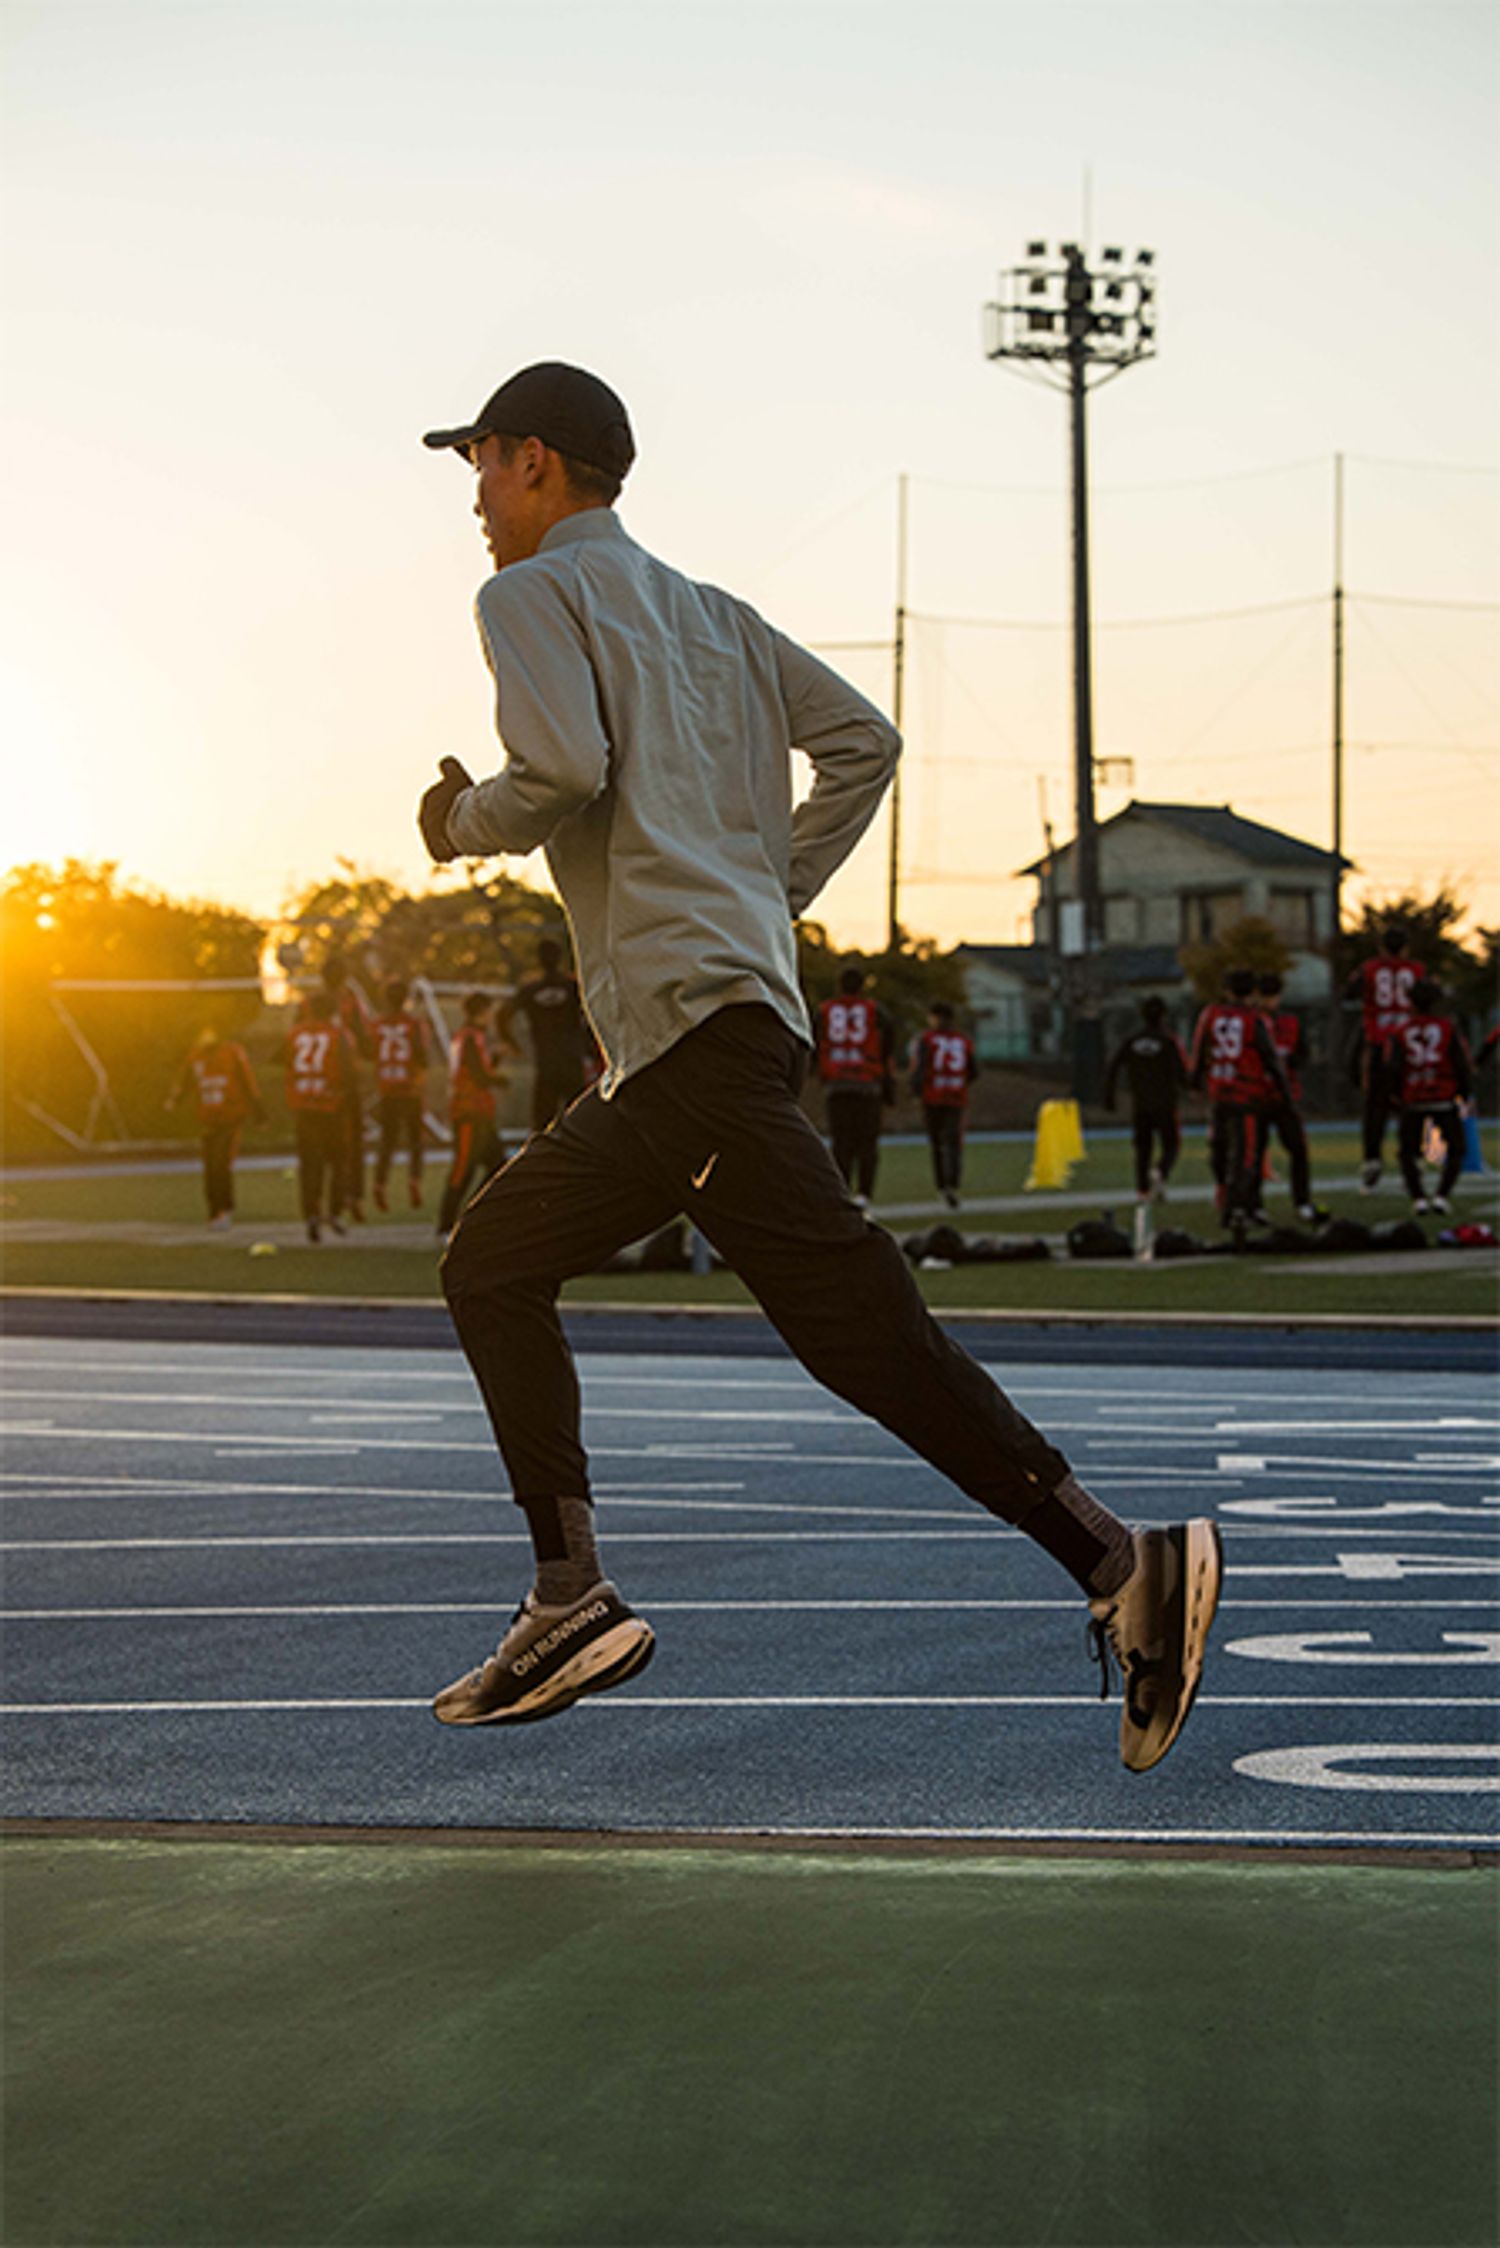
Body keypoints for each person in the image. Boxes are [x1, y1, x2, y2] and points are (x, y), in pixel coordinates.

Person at [414, 357, 1221, 1771]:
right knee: (499, 1260)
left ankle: (1117, 1559)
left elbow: (558, 776)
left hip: (691, 1043)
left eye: (479, 463)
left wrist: (451, 819)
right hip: (712, 1036)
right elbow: (865, 742)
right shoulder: (715, 615)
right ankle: (568, 1593)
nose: (473, 498)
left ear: (535, 461)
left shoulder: (527, 594)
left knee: (863, 1335)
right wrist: (762, 885)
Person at [1189, 968, 1292, 1234]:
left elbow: (1200, 1050)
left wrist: (1194, 1082)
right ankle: (1237, 1209)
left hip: (1219, 1091)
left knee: (1220, 1149)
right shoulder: (1253, 1019)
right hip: (1245, 1093)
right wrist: (1285, 1093)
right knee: (1246, 1155)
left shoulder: (1210, 1014)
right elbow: (1270, 1058)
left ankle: (1236, 1201)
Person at [1344, 922, 1424, 1191]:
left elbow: (1349, 992)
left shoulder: (1370, 969)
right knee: (1411, 1103)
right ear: (1405, 947)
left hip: (1377, 1042)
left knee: (1374, 1104)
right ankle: (1413, 1155)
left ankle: (1372, 1159)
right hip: (1409, 1044)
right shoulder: (1415, 970)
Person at [1387, 978, 1473, 1215]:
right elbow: (1460, 1062)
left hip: (1413, 1095)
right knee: (1456, 1149)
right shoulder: (1447, 1027)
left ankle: (1418, 1198)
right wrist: (1464, 1092)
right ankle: (1442, 1196)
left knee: (1408, 1151)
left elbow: (1394, 1066)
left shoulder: (1401, 1030)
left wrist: (1394, 1096)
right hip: (1443, 1094)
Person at [166, 1026, 265, 1229]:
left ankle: (225, 1209)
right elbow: (187, 1081)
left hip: (230, 1116)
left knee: (221, 1163)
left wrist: (258, 1112)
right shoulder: (196, 1056)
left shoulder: (232, 1053)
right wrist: (175, 1100)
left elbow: (248, 1082)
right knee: (210, 1165)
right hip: (209, 1118)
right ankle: (213, 1210)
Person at [283, 992, 359, 1244]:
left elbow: (284, 1062)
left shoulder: (295, 1034)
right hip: (331, 1106)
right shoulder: (338, 1035)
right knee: (337, 1162)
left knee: (309, 1164)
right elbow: (349, 1074)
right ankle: (335, 1212)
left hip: (304, 1106)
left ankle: (311, 1215)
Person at [816, 965, 893, 1206]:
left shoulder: (825, 1011)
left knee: (841, 1143)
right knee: (867, 1143)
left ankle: (842, 1192)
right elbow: (889, 1038)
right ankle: (865, 1194)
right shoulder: (874, 1010)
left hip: (837, 1084)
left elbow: (813, 1038)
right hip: (867, 1083)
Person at [1252, 972, 1325, 1225]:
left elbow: (1302, 1054)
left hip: (1278, 1096)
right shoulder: (1253, 1022)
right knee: (1256, 1152)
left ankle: (1301, 1201)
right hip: (1261, 1095)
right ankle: (1257, 1205)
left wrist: (1292, 1063)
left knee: (1296, 1150)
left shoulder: (1287, 1022)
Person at [437, 991, 510, 1240]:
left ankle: (477, 1218)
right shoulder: (469, 1037)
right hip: (469, 1110)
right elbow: (479, 1076)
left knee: (498, 1166)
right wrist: (501, 1080)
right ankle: (446, 1225)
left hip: (480, 1111)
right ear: (482, 1011)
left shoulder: (469, 1036)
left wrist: (497, 1059)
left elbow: (479, 1070)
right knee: (463, 1167)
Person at [498, 936, 590, 1131]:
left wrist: (510, 1042)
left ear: (538, 960)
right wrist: (590, 1043)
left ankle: (544, 1160)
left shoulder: (531, 990)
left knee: (542, 1125)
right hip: (571, 1060)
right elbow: (596, 1010)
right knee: (581, 1122)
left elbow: (502, 1015)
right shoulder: (573, 986)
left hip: (546, 1063)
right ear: (561, 958)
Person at [1103, 996, 1188, 1205]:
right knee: (1172, 1145)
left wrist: (1109, 1096)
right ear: (1164, 1015)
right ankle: (1160, 1171)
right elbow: (1181, 1071)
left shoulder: (1132, 1041)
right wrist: (1191, 1088)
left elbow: (1113, 1067)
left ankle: (1142, 1190)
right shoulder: (1168, 1041)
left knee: (1143, 1149)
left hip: (1141, 1103)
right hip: (1165, 1102)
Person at [319, 955, 374, 1221]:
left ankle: (321, 1204)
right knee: (352, 1143)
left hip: (316, 1086)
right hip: (346, 1083)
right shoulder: (351, 1003)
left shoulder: (311, 1004)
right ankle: (352, 1196)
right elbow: (365, 1040)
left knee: (320, 1147)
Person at [370, 978, 431, 1211]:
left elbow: (370, 1050)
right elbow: (421, 1056)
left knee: (387, 1141)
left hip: (387, 1088)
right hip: (410, 1088)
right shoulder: (414, 1024)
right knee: (416, 1141)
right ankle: (414, 1180)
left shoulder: (377, 1025)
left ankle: (379, 1183)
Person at [910, 1000, 977, 1208]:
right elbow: (973, 1071)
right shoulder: (963, 1041)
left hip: (933, 1096)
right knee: (953, 1143)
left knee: (937, 1143)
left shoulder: (926, 1039)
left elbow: (920, 1068)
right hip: (956, 1096)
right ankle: (952, 1183)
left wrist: (916, 1091)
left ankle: (942, 1185)